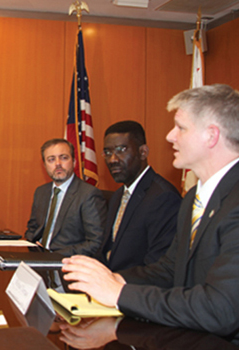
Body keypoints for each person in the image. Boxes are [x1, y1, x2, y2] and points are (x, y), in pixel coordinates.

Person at [62, 84, 239, 343]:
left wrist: (119, 294)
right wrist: (112, 279)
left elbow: (220, 308)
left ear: (211, 136)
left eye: (181, 127)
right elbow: (170, 270)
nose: (169, 136)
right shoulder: (194, 198)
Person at [97, 121, 181, 271]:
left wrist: (112, 283)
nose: (113, 159)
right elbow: (109, 252)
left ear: (143, 152)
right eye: (107, 152)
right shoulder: (118, 196)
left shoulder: (164, 197)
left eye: (121, 150)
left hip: (135, 290)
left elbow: (158, 268)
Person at [25, 138, 107, 257]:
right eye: (51, 159)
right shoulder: (41, 192)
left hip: (67, 263)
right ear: (45, 165)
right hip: (38, 259)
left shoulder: (88, 194)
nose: (58, 163)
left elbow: (96, 242)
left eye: (63, 157)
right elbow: (32, 228)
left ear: (74, 162)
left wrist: (55, 255)